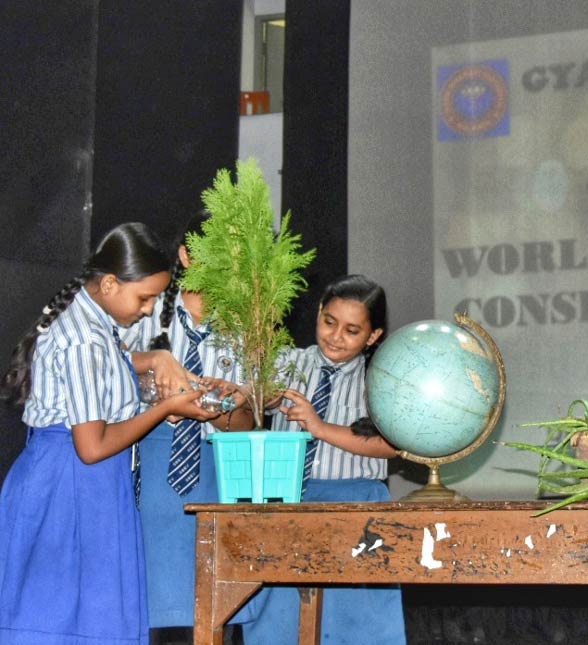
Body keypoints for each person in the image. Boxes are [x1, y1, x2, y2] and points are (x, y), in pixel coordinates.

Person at [0, 222, 219, 645]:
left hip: (93, 488)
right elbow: (92, 445)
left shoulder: (98, 325)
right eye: (145, 298)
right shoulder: (83, 339)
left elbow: (111, 371)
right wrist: (166, 409)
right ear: (111, 284)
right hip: (69, 488)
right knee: (59, 623)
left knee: (91, 624)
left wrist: (154, 362)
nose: (148, 309)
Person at [121, 211, 271, 643]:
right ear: (186, 256)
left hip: (218, 476)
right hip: (152, 472)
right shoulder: (144, 314)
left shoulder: (246, 330)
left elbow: (247, 428)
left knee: (215, 614)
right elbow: (107, 377)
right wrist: (156, 382)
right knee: (156, 612)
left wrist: (229, 403)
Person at [263, 274, 406, 645]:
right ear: (318, 313)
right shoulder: (288, 362)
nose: (335, 336)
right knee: (280, 617)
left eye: (352, 330)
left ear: (373, 336)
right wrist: (261, 394)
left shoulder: (383, 379)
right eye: (329, 322)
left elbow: (393, 445)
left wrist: (319, 427)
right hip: (286, 503)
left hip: (356, 507)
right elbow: (254, 400)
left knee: (356, 618)